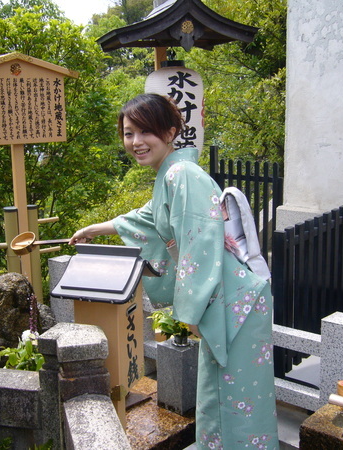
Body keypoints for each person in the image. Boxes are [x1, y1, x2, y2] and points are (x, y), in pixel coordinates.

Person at [70, 93, 279, 449]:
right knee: (217, 386)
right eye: (128, 133)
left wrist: (191, 310)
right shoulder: (170, 174)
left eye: (144, 132)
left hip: (236, 299)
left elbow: (199, 244)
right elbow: (148, 218)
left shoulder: (182, 174)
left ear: (169, 132)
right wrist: (96, 228)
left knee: (240, 395)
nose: (135, 142)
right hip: (224, 296)